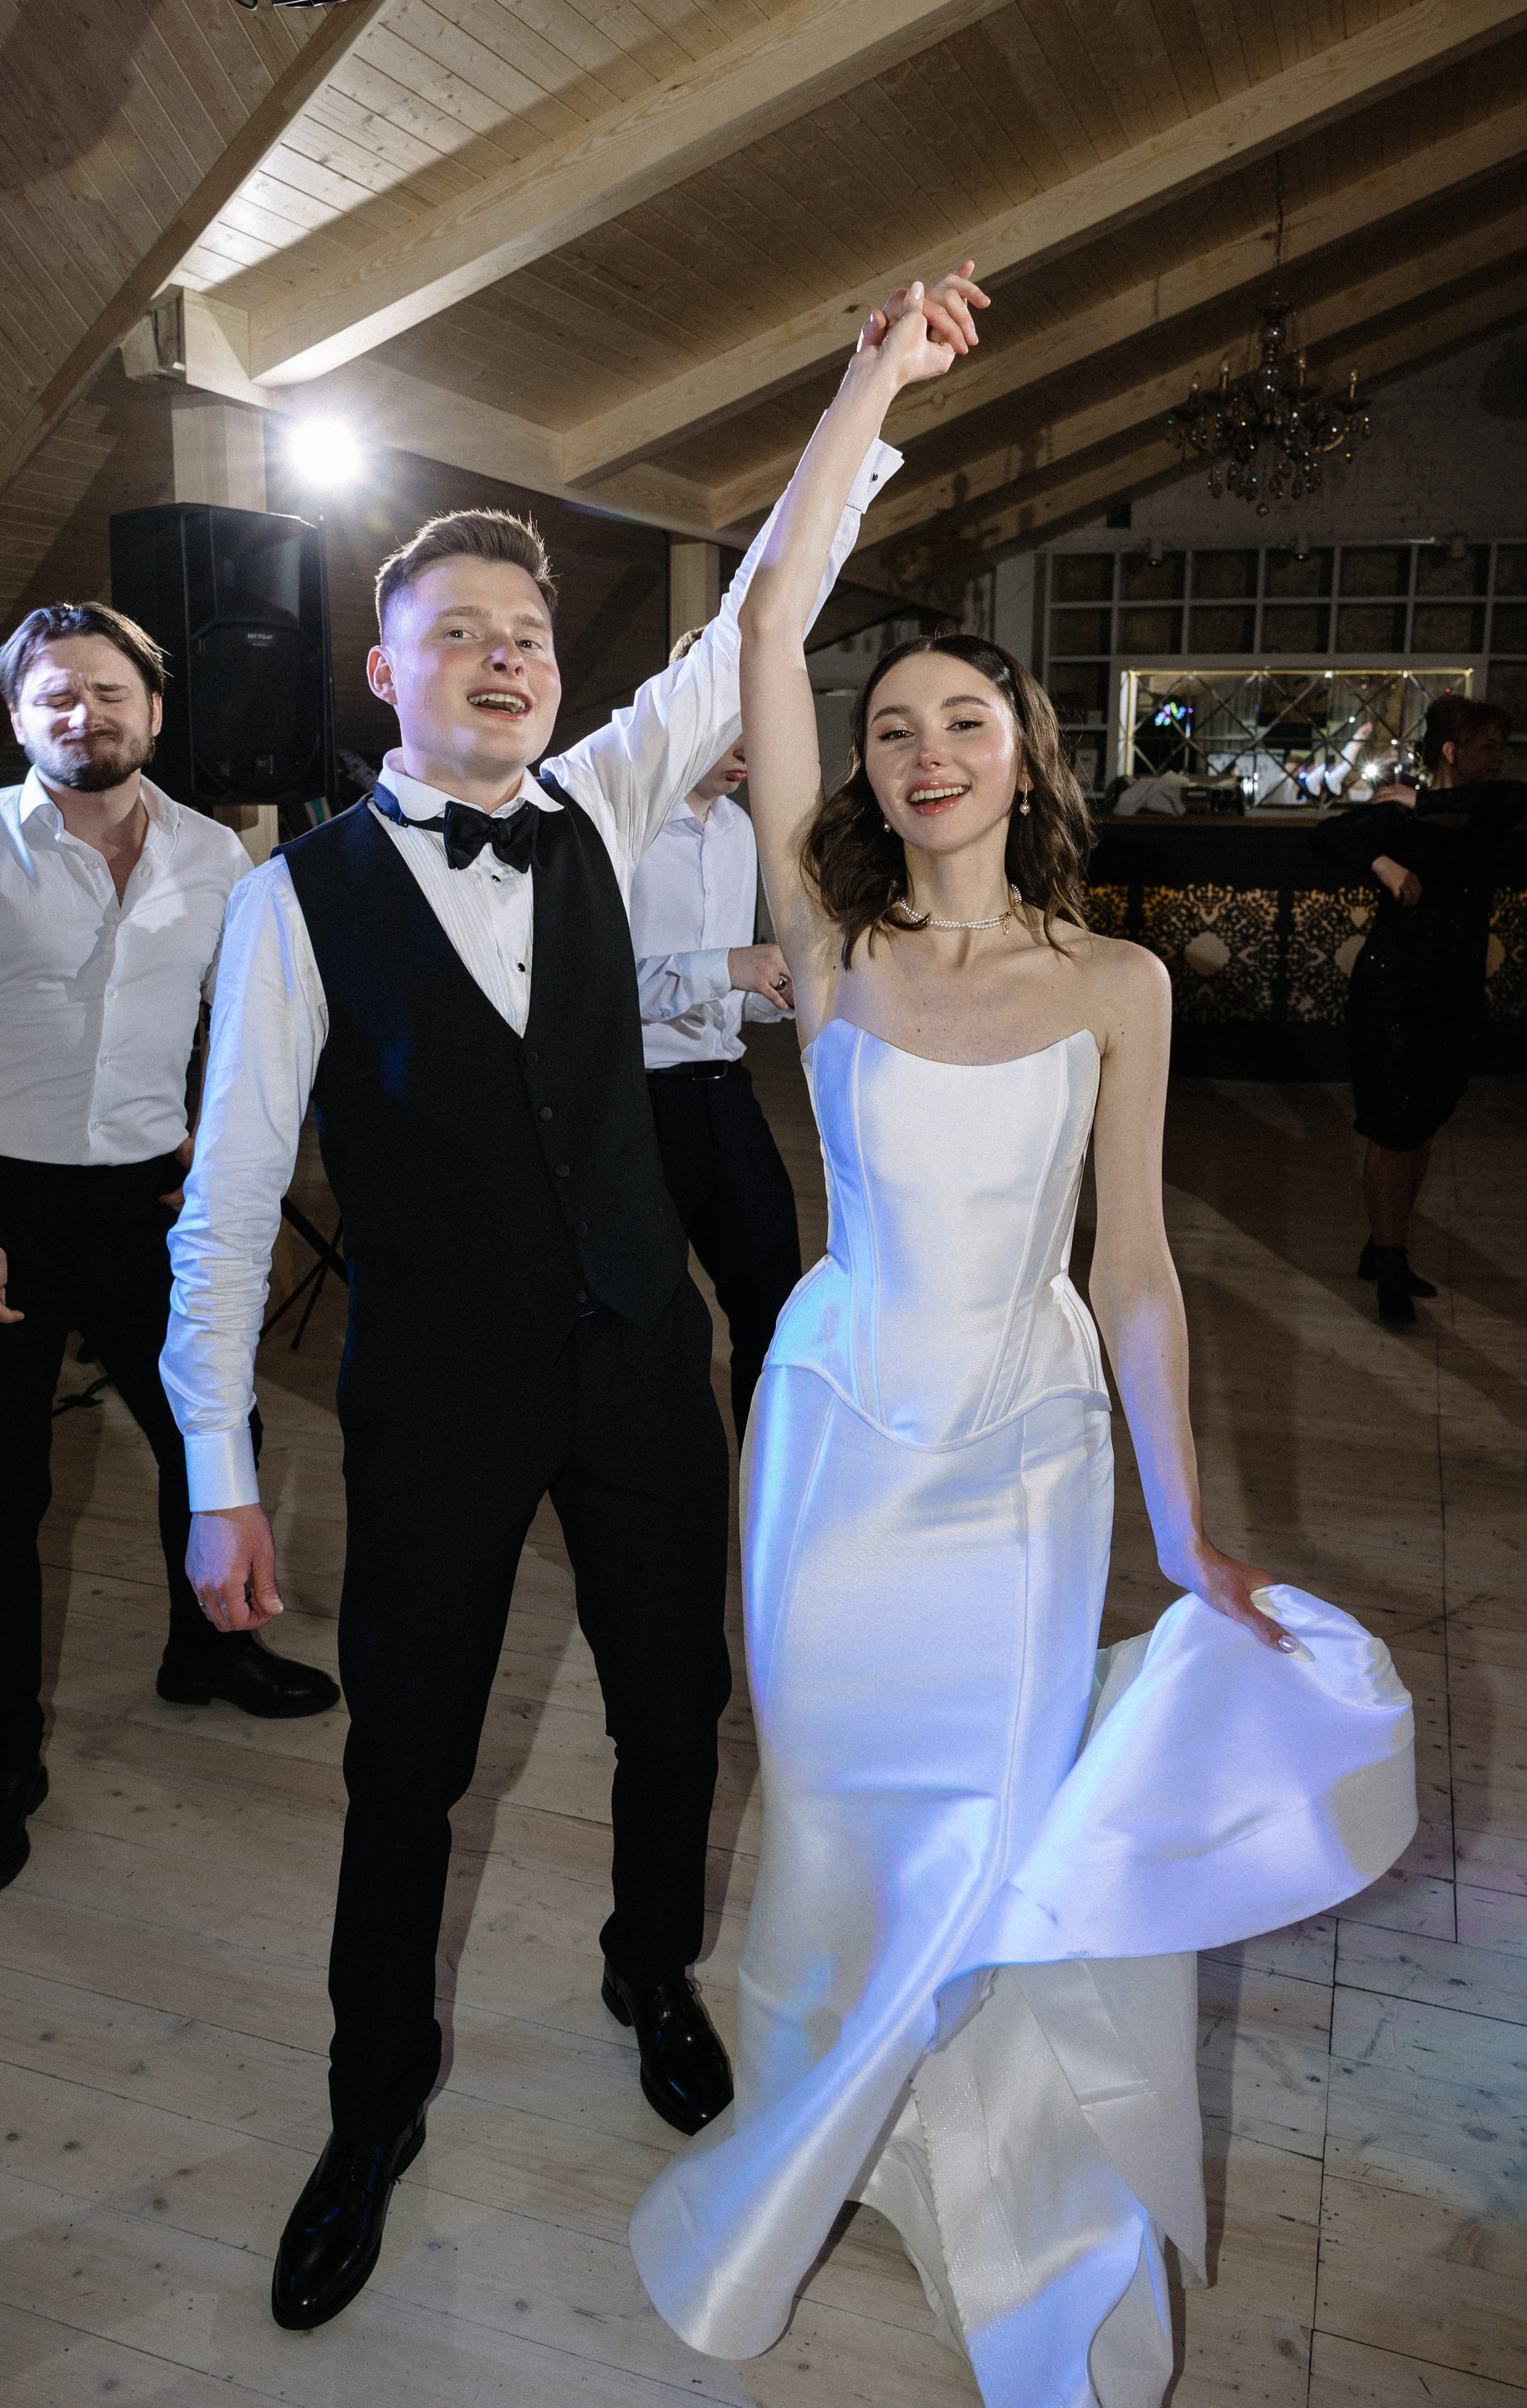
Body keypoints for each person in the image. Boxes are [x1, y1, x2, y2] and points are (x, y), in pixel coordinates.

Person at [628, 288, 1417, 2403]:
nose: (923, 751)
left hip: (1030, 1454)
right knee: (827, 1809)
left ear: (1024, 755)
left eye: (962, 720)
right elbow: (771, 616)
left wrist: (1186, 1530)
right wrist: (870, 378)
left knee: (984, 1813)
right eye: (894, 727)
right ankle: (824, 2107)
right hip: (833, 1435)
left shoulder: (1117, 986)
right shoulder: (828, 942)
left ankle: (983, 2130)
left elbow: (1137, 1271)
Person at [156, 322, 944, 2332]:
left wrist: (867, 389)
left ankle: (644, 1968)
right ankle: (370, 2105)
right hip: (433, 1391)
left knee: (675, 1706)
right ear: (385, 671)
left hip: (638, 1363)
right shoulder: (287, 904)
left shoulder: (601, 800)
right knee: (408, 1759)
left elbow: (770, 609)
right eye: (461, 633)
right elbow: (228, 1209)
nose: (505, 657)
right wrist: (218, 1470)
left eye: (527, 634)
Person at [0, 603, 339, 1904]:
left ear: (153, 712)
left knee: (214, 1438)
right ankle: (3, 1762)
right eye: (55, 694)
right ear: (17, 715)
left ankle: (202, 1652)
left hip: (149, 1201)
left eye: (108, 692)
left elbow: (246, 1031)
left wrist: (214, 1162)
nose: (83, 714)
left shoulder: (221, 855)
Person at [630, 650, 800, 1443]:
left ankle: (768, 1483)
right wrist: (729, 965)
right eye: (730, 724)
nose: (746, 748)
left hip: (728, 1092)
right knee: (648, 1320)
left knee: (777, 1303)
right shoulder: (621, 826)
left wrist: (782, 990)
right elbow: (589, 995)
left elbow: (732, 994)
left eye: (754, 726)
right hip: (636, 1108)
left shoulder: (740, 831)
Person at [1311, 694, 1524, 1324]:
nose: (1499, 757)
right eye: (1488, 747)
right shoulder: (1396, 821)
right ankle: (1391, 1264)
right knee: (1394, 1127)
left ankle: (1385, 1242)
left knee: (1424, 1121)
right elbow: (1326, 836)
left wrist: (1420, 800)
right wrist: (1382, 863)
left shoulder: (1488, 812)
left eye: (1502, 747)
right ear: (1453, 751)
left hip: (1454, 993)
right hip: (1393, 990)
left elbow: (1514, 796)